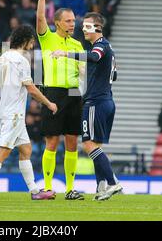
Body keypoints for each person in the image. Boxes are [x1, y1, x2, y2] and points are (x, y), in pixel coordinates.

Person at [0, 25, 58, 201]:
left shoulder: (1, 59)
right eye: (32, 41)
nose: (33, 45)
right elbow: (31, 89)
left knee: (26, 149)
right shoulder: (21, 60)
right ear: (26, 40)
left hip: (5, 112)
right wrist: (49, 103)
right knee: (4, 151)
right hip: (14, 115)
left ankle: (34, 192)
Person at [51, 12, 122, 201]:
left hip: (96, 103)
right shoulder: (109, 47)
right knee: (96, 145)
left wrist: (66, 53)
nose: (83, 29)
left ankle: (113, 183)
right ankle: (101, 188)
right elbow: (113, 75)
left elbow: (95, 57)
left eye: (87, 26)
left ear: (97, 28)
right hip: (106, 101)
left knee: (88, 144)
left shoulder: (100, 46)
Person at [36, 0, 85, 200]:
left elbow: (83, 70)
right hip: (54, 93)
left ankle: (70, 189)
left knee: (72, 141)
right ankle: (47, 187)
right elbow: (39, 17)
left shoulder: (77, 45)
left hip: (75, 93)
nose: (72, 24)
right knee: (52, 140)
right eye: (67, 21)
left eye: (73, 21)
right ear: (57, 23)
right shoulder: (47, 39)